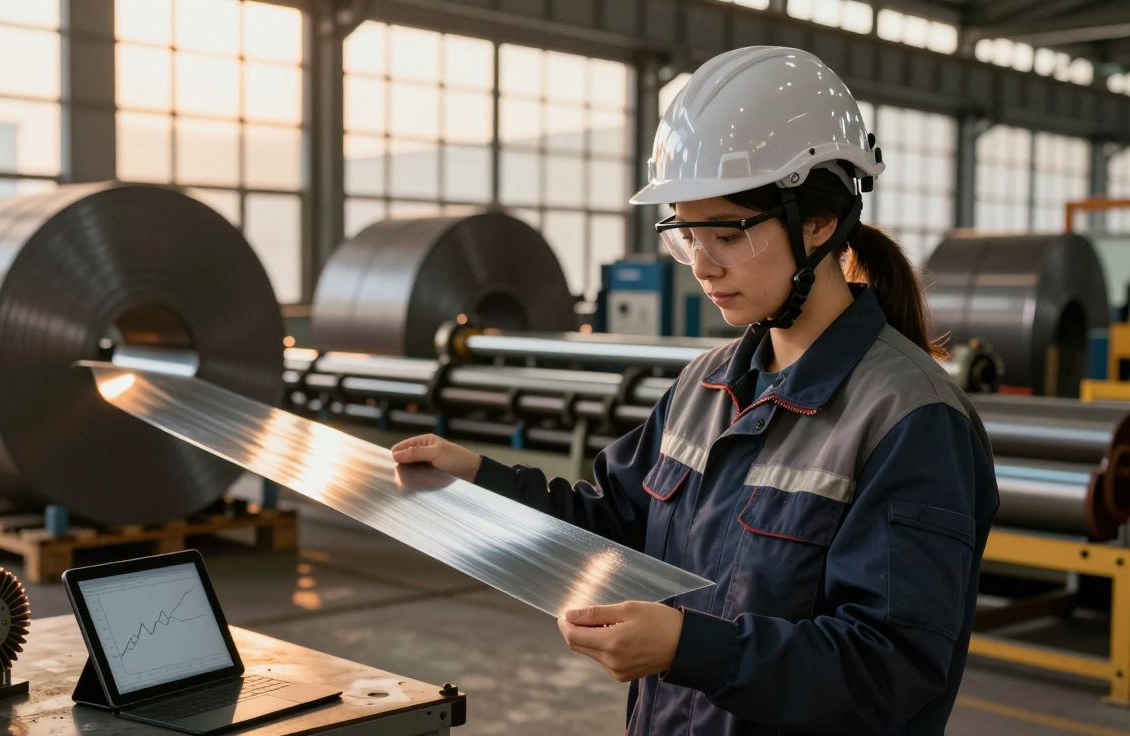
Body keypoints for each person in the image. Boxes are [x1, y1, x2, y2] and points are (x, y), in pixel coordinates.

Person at [392, 46, 998, 735]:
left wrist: (691, 647)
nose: (703, 267)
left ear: (821, 222)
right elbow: (614, 526)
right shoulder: (704, 385)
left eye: (728, 233)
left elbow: (891, 669)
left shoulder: (909, 420)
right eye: (686, 235)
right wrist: (475, 480)